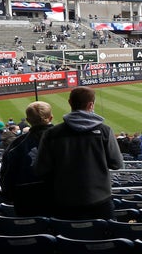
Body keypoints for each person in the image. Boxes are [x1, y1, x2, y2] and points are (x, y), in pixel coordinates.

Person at [35, 87, 124, 220]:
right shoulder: (104, 131)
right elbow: (117, 164)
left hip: (64, 200)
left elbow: (41, 169)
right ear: (90, 105)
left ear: (70, 102)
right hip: (100, 200)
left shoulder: (52, 133)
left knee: (70, 238)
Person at [0, 101, 55, 216]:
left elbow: (6, 182)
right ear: (51, 118)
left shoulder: (15, 145)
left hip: (26, 205)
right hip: (62, 203)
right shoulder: (65, 139)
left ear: (28, 121)